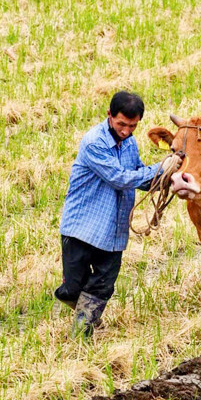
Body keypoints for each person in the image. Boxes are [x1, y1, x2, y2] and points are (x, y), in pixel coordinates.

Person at [56, 91, 162, 336]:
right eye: (121, 124)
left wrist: (165, 176)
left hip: (113, 228)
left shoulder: (130, 143)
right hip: (82, 226)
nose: (126, 131)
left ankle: (81, 335)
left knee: (102, 285)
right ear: (109, 116)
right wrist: (160, 168)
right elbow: (120, 178)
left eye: (132, 126)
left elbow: (138, 175)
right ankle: (87, 313)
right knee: (72, 289)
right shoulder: (95, 142)